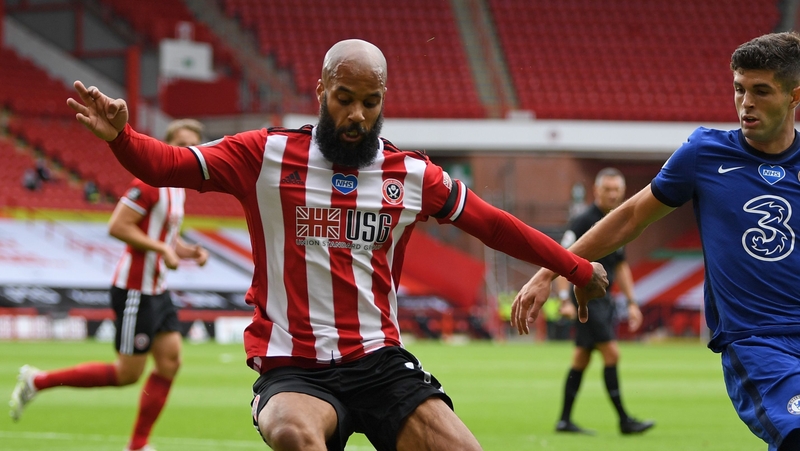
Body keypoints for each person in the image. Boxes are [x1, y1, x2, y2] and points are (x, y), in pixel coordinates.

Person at [60, 39, 608, 451]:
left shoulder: (411, 174)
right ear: (321, 90)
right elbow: (169, 165)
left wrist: (576, 268)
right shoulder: (266, 156)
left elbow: (496, 226)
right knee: (295, 436)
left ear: (383, 99)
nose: (356, 116)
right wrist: (122, 139)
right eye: (344, 99)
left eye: (370, 103)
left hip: (380, 361)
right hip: (293, 365)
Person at [512, 31, 800, 451]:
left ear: (795, 97)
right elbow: (629, 218)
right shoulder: (705, 153)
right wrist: (548, 269)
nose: (745, 103)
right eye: (739, 89)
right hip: (758, 341)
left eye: (761, 91)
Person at [9, 119, 210, 451]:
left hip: (157, 289)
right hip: (135, 290)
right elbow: (117, 226)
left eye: (192, 145)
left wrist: (189, 251)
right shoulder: (149, 183)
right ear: (167, 144)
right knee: (127, 374)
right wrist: (162, 249)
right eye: (180, 143)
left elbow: (165, 237)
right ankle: (37, 381)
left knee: (171, 360)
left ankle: (137, 445)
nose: (185, 150)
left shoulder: (178, 190)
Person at [551, 168, 653, 435]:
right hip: (587, 299)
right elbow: (561, 257)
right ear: (596, 191)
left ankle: (564, 420)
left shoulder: (618, 220)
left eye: (616, 190)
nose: (612, 194)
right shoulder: (583, 220)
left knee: (581, 358)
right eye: (607, 189)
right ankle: (624, 420)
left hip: (604, 301)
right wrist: (564, 298)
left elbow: (621, 265)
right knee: (612, 353)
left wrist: (632, 302)